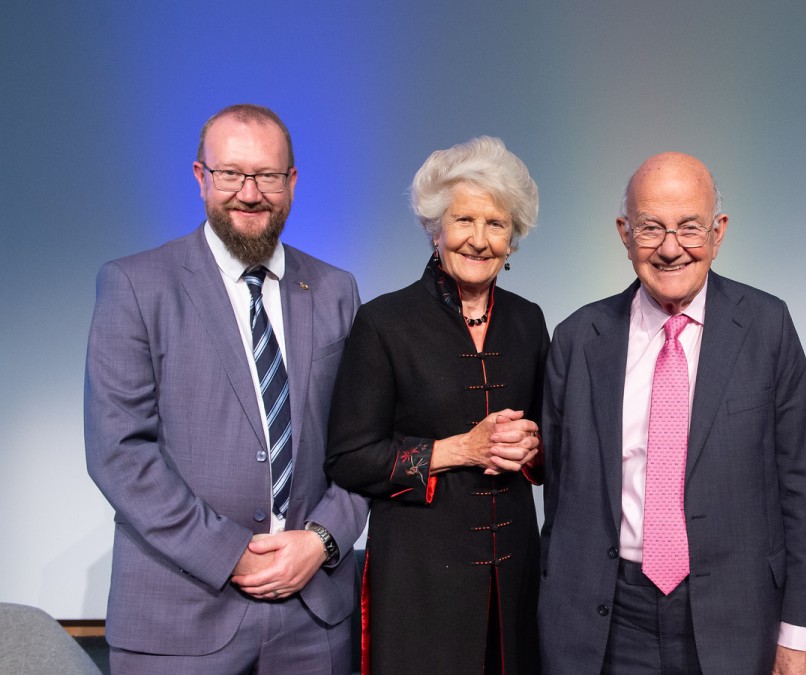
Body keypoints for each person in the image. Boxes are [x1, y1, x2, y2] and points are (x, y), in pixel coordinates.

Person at [84, 104, 368, 673]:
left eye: (266, 176)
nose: (249, 192)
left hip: (314, 617)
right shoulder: (136, 286)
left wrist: (322, 540)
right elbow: (120, 452)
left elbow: (362, 441)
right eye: (231, 174)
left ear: (291, 183)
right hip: (180, 618)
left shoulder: (337, 290)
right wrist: (231, 554)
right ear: (200, 177)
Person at [538, 152, 806, 674]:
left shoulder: (767, 326)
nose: (671, 248)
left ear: (718, 233)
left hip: (737, 619)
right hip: (608, 621)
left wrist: (801, 633)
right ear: (624, 233)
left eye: (689, 228)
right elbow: (561, 493)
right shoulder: (577, 339)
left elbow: (805, 487)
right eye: (651, 228)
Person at [325, 136, 547, 674]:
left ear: (512, 240)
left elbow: (549, 446)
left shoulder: (529, 320)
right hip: (419, 580)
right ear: (434, 230)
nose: (478, 239)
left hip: (515, 574)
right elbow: (350, 456)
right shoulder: (385, 323)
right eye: (463, 220)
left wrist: (533, 447)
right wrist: (459, 450)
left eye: (496, 224)